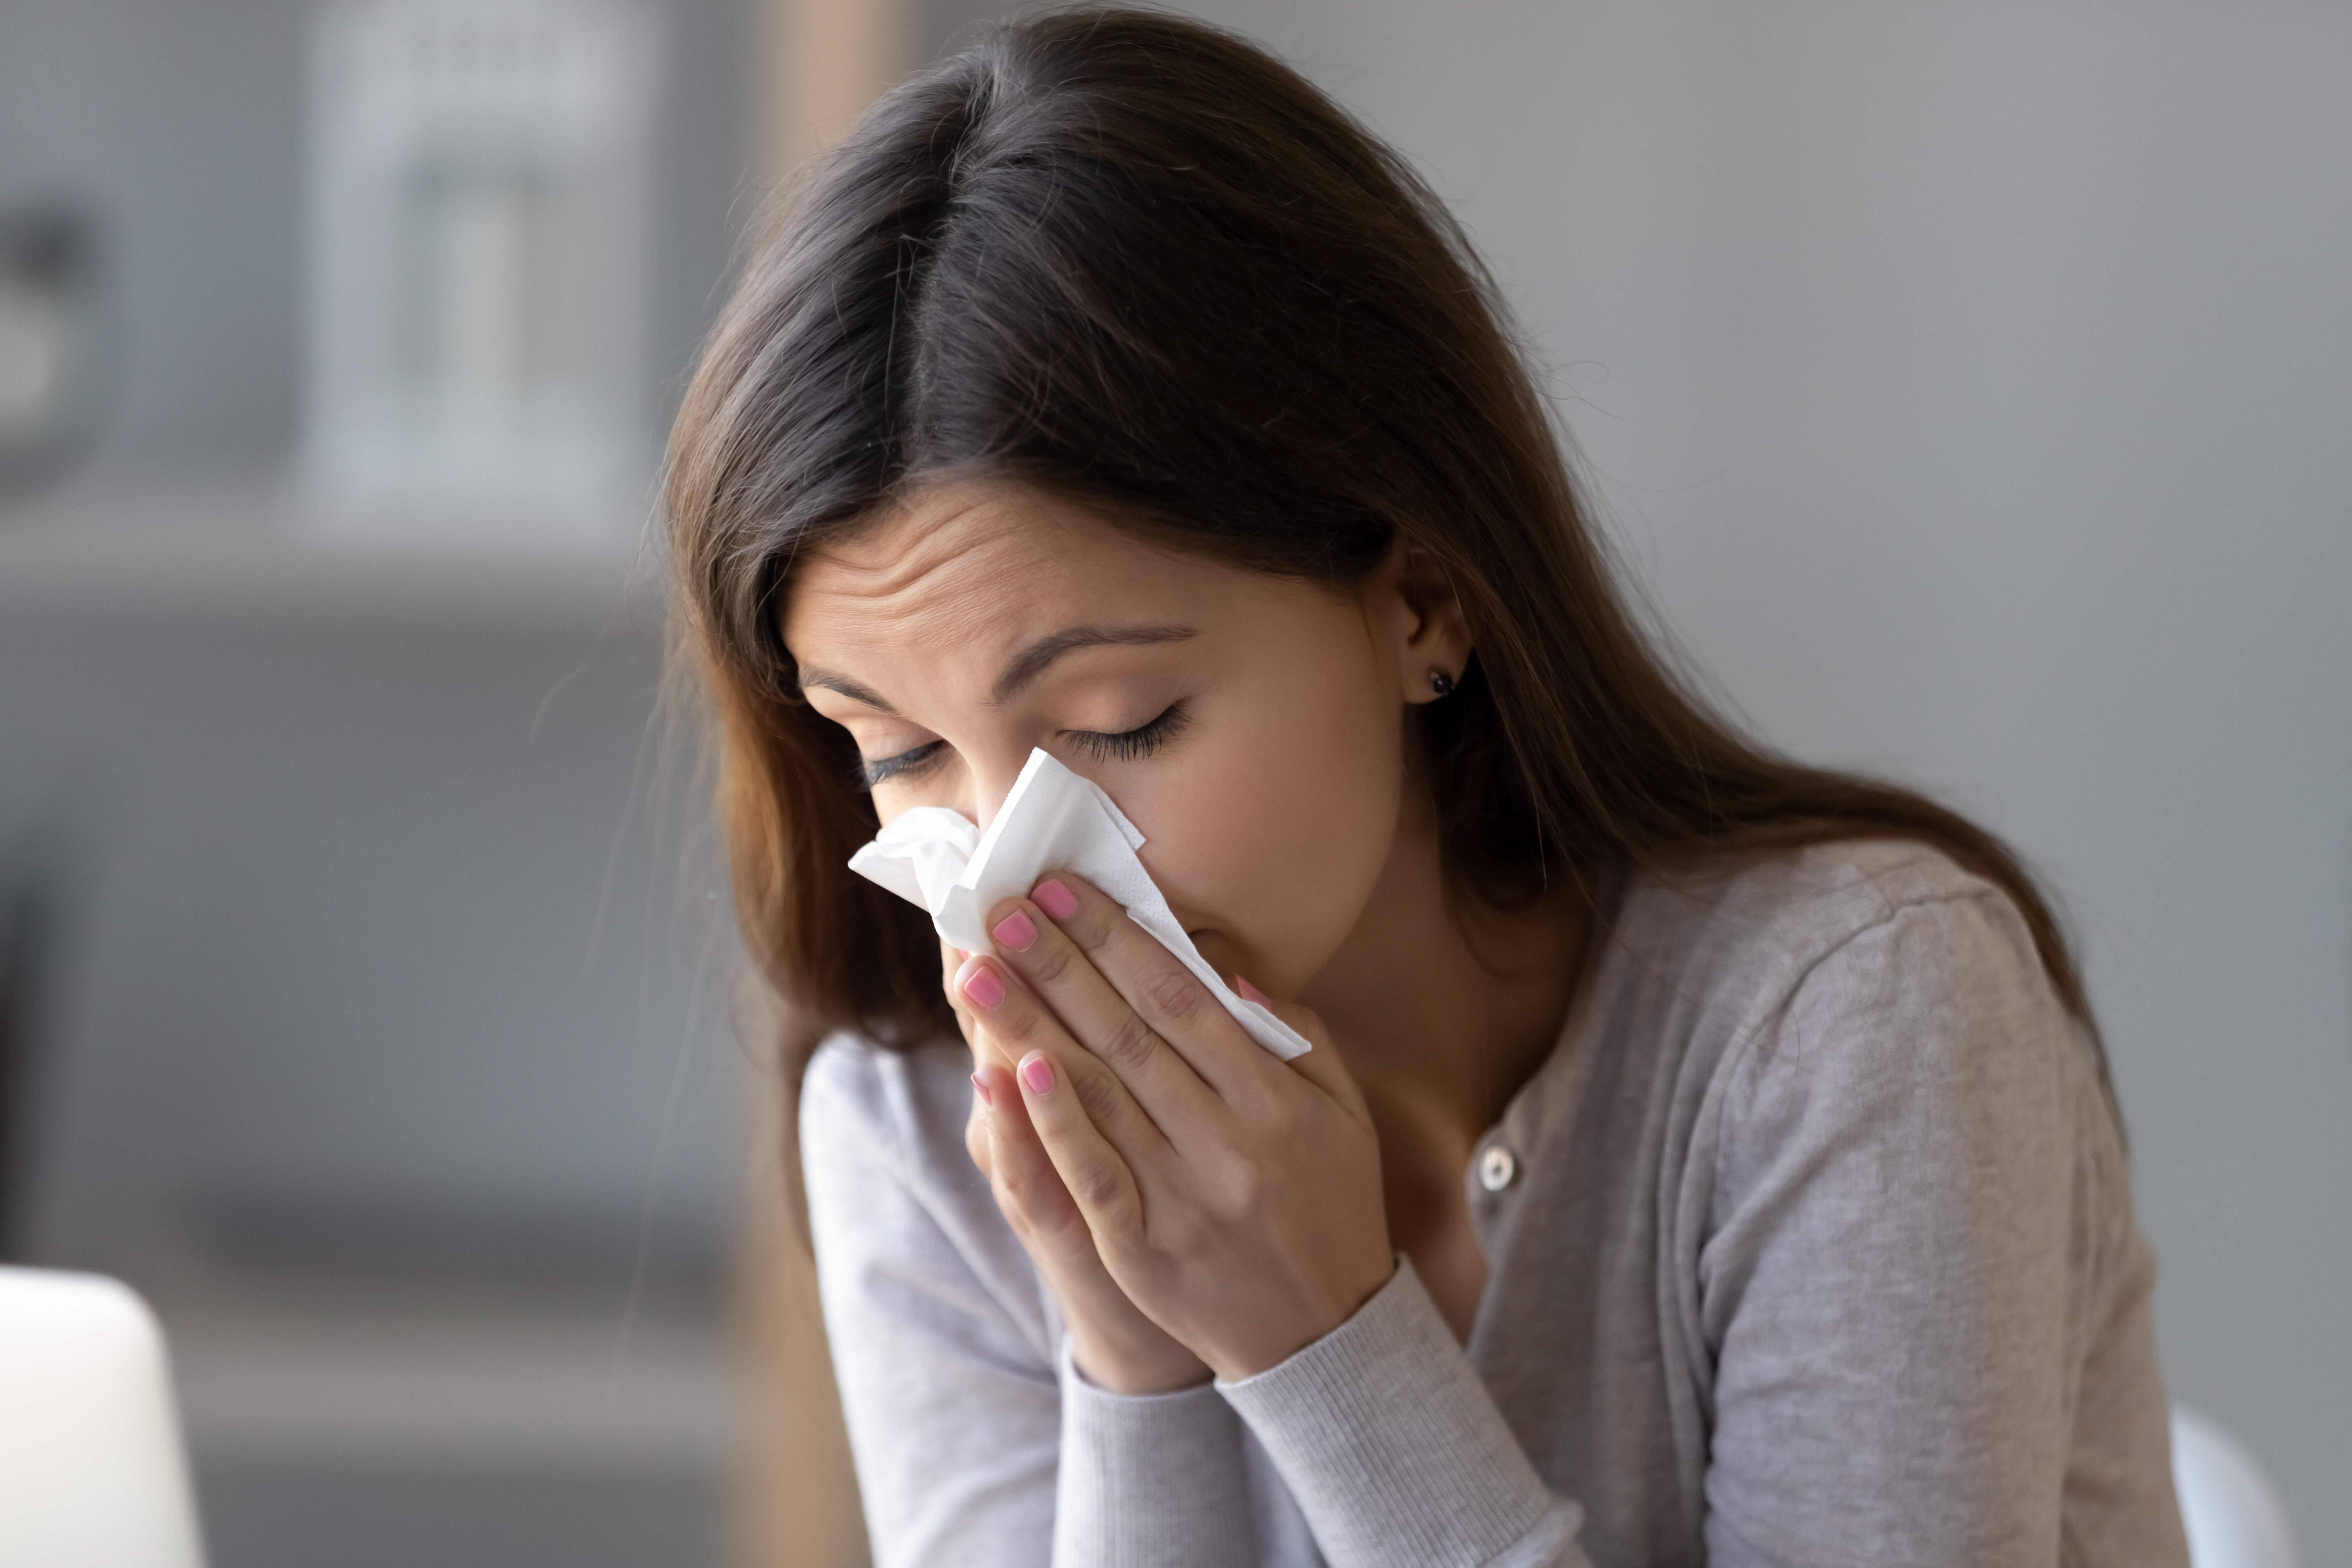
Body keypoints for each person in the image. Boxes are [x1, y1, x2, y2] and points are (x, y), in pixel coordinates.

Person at [663, 11, 2190, 1566]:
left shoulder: (1850, 1022)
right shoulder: (925, 1130)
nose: (1009, 885)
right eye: (899, 753)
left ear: (1424, 604)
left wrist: (1329, 1349)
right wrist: (1140, 1371)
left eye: (1124, 723)